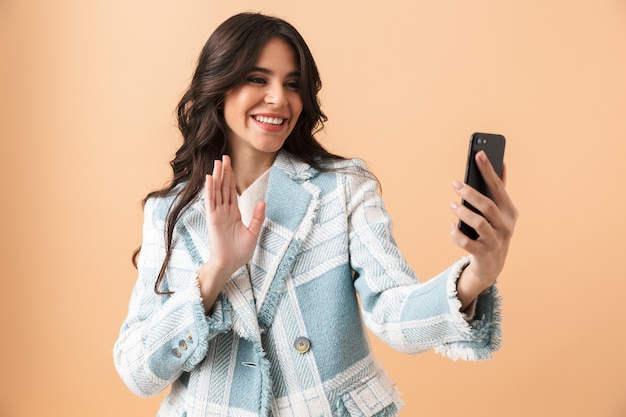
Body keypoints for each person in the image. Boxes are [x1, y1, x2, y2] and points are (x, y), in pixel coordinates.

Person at [113, 12, 517, 417]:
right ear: (217, 86)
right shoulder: (170, 213)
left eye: (292, 84)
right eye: (258, 79)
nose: (279, 98)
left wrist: (477, 275)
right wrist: (216, 271)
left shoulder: (342, 187)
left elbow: (394, 311)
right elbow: (137, 372)